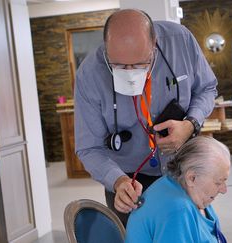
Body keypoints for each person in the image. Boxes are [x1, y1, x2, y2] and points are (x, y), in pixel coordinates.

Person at [74, 9, 217, 225]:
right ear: (106, 47)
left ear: (154, 44)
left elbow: (207, 88)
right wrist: (118, 181)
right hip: (128, 181)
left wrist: (190, 124)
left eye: (140, 64)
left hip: (183, 169)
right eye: (119, 66)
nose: (130, 72)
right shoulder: (89, 74)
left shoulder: (180, 41)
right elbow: (88, 148)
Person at [125, 136, 230, 243]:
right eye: (218, 182)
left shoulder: (192, 191)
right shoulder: (177, 210)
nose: (224, 190)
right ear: (191, 178)